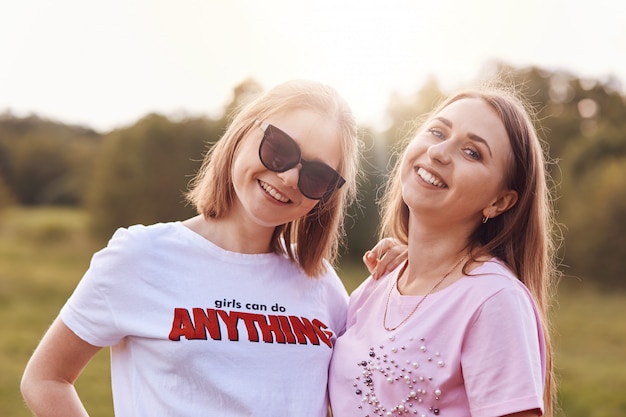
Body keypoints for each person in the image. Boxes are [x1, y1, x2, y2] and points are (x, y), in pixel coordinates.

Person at [21, 79, 375, 417]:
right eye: (279, 149)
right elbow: (46, 379)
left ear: (328, 196)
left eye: (317, 175)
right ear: (242, 133)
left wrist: (411, 267)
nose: (289, 178)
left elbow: (376, 389)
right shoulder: (141, 256)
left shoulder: (322, 284)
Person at [329, 85, 560, 417]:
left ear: (499, 202)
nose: (438, 152)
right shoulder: (375, 286)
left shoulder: (494, 300)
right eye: (437, 132)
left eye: (472, 152)